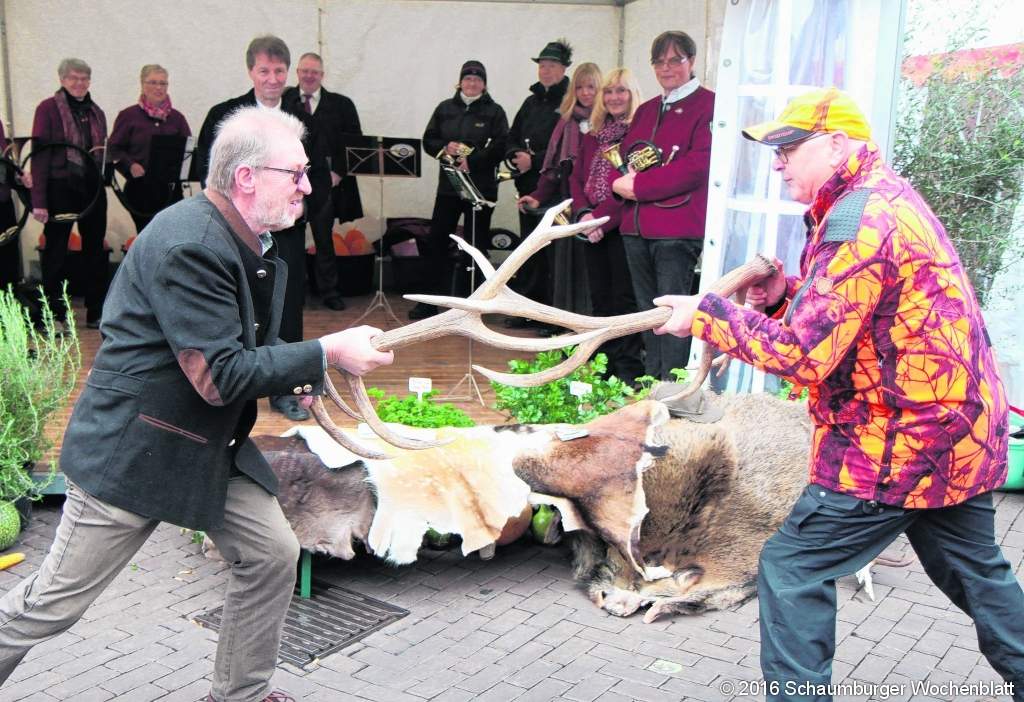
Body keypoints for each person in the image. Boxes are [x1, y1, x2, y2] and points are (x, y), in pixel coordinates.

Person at [0, 106, 394, 702]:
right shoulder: (192, 244)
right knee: (52, 606)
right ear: (247, 178)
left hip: (205, 446)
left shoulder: (246, 240)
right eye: (297, 174)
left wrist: (292, 377)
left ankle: (239, 694)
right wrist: (326, 351)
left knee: (270, 555)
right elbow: (219, 375)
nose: (308, 188)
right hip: (135, 452)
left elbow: (243, 349)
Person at [653, 88, 1024, 700]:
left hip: (901, 441)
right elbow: (865, 313)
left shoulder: (857, 221)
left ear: (837, 145)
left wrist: (706, 315)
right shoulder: (875, 200)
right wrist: (784, 293)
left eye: (789, 147)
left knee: (792, 567)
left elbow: (805, 352)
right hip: (956, 432)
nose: (777, 160)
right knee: (977, 575)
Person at [195, 35, 332, 421]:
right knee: (237, 303)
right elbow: (208, 175)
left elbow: (316, 173)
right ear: (250, 71)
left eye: (279, 71)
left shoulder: (304, 118)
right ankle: (234, 386)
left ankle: (285, 389)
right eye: (264, 71)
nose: (272, 78)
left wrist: (301, 207)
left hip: (285, 229)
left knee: (286, 306)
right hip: (235, 231)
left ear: (287, 74)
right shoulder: (225, 115)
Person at [611, 31, 714, 381]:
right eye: (660, 61)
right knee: (646, 314)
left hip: (677, 228)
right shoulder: (646, 109)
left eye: (675, 60)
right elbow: (628, 160)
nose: (667, 68)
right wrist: (623, 183)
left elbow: (698, 166)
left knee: (673, 316)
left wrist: (638, 186)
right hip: (636, 229)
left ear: (692, 62)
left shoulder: (709, 105)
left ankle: (672, 388)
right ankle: (651, 386)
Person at [411, 59, 508, 320]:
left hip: (481, 190)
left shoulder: (495, 111)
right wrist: (446, 149)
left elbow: (502, 145)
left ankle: (474, 304)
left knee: (476, 245)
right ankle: (429, 302)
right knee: (437, 242)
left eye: (477, 79)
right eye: (468, 78)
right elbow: (428, 139)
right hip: (449, 188)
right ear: (460, 82)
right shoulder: (444, 108)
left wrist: (473, 160)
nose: (472, 83)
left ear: (484, 84)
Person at [569, 67, 645, 384]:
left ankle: (628, 370)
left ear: (632, 95)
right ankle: (605, 367)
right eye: (609, 92)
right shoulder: (591, 137)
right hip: (591, 227)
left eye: (622, 91)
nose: (615, 97)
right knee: (600, 300)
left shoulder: (640, 136)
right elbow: (575, 178)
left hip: (621, 227)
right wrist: (585, 215)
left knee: (623, 301)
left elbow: (630, 185)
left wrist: (601, 219)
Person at [28, 57, 109, 328]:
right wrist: (38, 201)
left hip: (92, 187)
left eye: (84, 78)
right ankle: (56, 314)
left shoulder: (96, 111)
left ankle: (96, 311)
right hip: (60, 188)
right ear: (62, 80)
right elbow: (38, 157)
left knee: (95, 251)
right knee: (56, 253)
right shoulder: (48, 109)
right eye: (74, 78)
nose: (79, 83)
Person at [517, 61, 601, 317]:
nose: (586, 93)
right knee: (563, 266)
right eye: (580, 87)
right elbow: (552, 168)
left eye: (591, 87)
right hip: (567, 200)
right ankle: (561, 319)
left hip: (598, 205)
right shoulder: (565, 123)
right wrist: (538, 195)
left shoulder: (608, 123)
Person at [283, 52, 364, 312]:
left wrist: (338, 173)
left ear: (322, 75)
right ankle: (290, 289)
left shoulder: (342, 105)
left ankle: (328, 291)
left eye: (314, 72)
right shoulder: (283, 101)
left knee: (323, 236)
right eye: (304, 71)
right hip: (287, 179)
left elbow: (354, 143)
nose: (309, 76)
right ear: (297, 72)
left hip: (326, 180)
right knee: (286, 234)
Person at [504, 39, 572, 323]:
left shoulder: (569, 100)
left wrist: (536, 158)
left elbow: (568, 144)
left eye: (552, 65)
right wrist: (515, 154)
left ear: (564, 68)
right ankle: (528, 310)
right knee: (529, 250)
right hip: (529, 188)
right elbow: (512, 135)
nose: (546, 70)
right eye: (542, 65)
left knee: (554, 255)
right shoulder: (530, 102)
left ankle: (551, 315)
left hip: (558, 191)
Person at [107, 64, 192, 234]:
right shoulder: (128, 116)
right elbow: (113, 149)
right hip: (141, 190)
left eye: (163, 83)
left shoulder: (177, 118)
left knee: (173, 237)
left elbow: (188, 150)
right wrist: (130, 165)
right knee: (148, 237)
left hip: (170, 191)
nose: (158, 88)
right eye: (153, 82)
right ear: (142, 84)